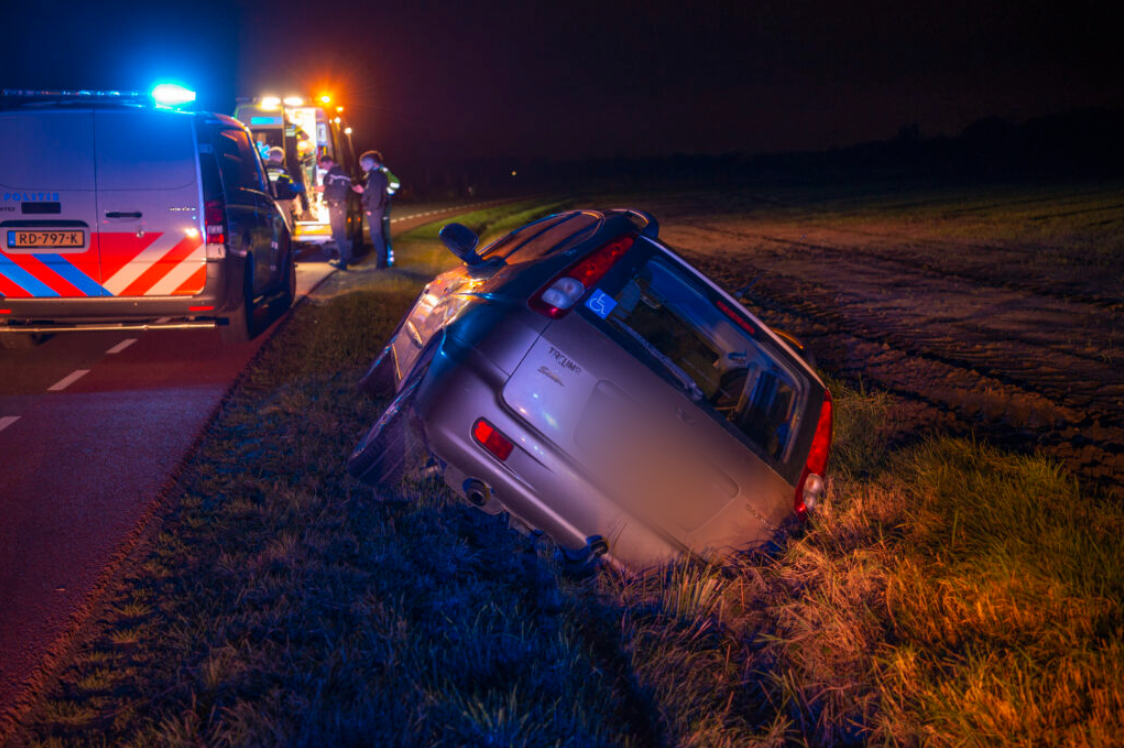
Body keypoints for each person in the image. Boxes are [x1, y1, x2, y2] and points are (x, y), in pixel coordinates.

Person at [351, 150, 390, 268]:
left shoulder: (375, 176)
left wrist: (370, 209)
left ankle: (381, 263)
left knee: (376, 235)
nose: (362, 168)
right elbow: (373, 191)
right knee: (377, 235)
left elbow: (376, 195)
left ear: (371, 163)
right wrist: (363, 191)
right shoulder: (375, 175)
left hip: (375, 210)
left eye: (363, 165)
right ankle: (382, 261)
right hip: (376, 209)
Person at [316, 154, 352, 270]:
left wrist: (315, 188)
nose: (324, 168)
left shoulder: (331, 174)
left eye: (324, 166)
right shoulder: (344, 173)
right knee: (341, 232)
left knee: (338, 233)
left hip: (335, 206)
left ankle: (343, 261)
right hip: (342, 205)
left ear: (329, 162)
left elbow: (326, 188)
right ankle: (346, 257)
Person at [263, 147, 296, 229]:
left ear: (270, 157)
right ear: (281, 158)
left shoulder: (263, 169)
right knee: (285, 224)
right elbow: (291, 185)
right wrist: (292, 199)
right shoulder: (283, 170)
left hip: (266, 201)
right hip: (282, 201)